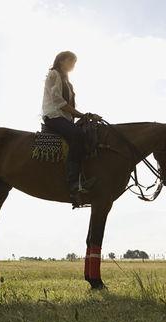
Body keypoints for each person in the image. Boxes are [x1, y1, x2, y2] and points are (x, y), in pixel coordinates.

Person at [41, 51, 101, 206]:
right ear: (61, 61)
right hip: (53, 116)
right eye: (71, 61)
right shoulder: (54, 74)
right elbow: (58, 102)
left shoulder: (68, 81)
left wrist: (85, 116)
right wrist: (82, 115)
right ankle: (73, 182)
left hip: (64, 118)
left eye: (75, 62)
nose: (74, 64)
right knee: (78, 135)